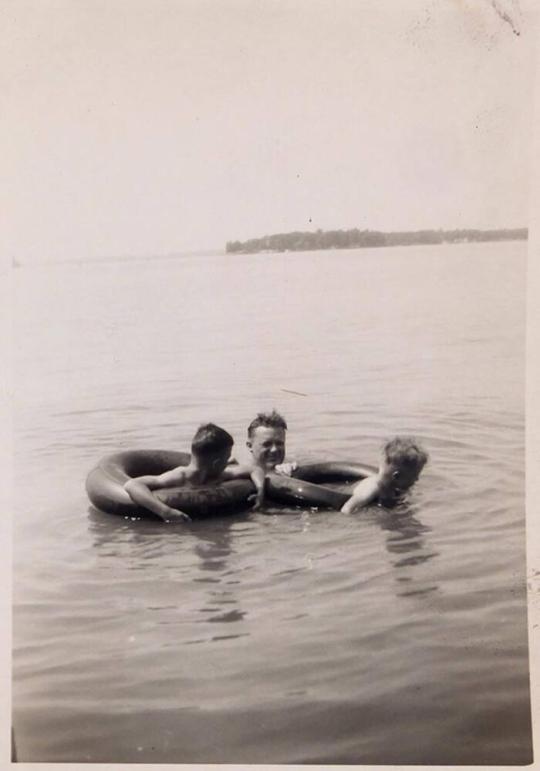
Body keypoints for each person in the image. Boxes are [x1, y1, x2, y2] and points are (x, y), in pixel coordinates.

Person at [124, 423, 265, 522]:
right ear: (217, 463)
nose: (230, 460)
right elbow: (132, 484)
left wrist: (260, 491)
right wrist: (165, 512)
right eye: (227, 458)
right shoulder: (179, 477)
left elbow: (255, 469)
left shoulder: (221, 475)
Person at [341, 436, 428, 514]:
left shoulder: (395, 486)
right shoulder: (371, 488)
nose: (417, 479)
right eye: (414, 476)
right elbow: (347, 509)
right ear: (396, 476)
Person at [246, 410, 297, 475]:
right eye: (267, 444)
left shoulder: (290, 465)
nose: (274, 449)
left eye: (279, 443)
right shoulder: (236, 471)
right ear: (249, 446)